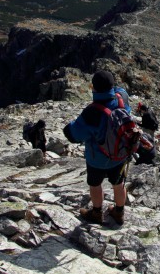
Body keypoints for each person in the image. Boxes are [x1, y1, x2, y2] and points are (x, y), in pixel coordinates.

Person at [63, 70, 132, 225]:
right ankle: (119, 213)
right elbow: (120, 91)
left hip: (97, 159)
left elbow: (74, 135)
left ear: (93, 88)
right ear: (112, 86)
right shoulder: (122, 99)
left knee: (95, 184)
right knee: (119, 183)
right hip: (120, 154)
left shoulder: (92, 112)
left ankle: (96, 213)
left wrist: (68, 127)